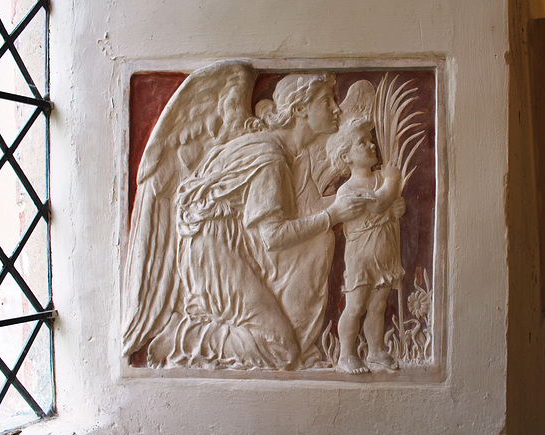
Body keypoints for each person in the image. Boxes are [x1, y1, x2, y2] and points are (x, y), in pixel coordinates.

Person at [150, 73, 368, 370]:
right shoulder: (271, 159)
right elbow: (274, 236)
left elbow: (311, 212)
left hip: (239, 243)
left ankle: (295, 342)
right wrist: (334, 214)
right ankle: (182, 336)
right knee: (279, 349)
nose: (336, 108)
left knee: (321, 238)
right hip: (213, 248)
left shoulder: (296, 156)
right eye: (326, 101)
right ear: (300, 109)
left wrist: (362, 200)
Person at [326, 118, 405, 374]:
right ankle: (347, 354)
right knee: (356, 306)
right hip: (361, 259)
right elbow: (379, 203)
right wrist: (393, 182)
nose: (371, 145)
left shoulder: (380, 178)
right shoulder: (347, 190)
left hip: (385, 252)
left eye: (370, 140)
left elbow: (391, 208)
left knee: (378, 305)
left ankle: (376, 351)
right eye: (362, 142)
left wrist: (398, 208)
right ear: (346, 156)